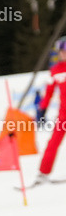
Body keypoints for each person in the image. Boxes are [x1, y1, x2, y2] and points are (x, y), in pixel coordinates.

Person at [35, 37, 66, 184]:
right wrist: (42, 109)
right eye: (61, 51)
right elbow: (48, 93)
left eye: (64, 51)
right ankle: (43, 173)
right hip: (63, 115)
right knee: (53, 143)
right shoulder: (55, 71)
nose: (63, 54)